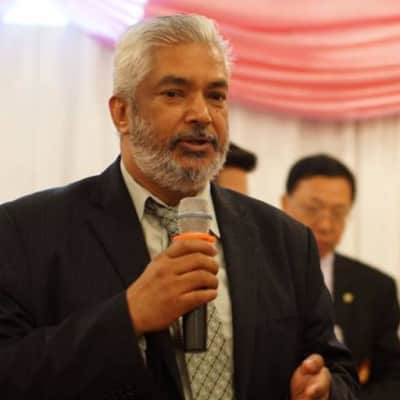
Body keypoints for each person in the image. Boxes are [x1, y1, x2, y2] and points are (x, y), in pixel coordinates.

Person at [0, 15, 358, 400]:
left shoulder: (286, 240)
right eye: (174, 93)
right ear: (122, 113)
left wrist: (324, 390)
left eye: (216, 95)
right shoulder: (27, 232)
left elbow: (337, 369)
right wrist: (128, 316)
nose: (202, 114)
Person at [281, 153, 400, 400]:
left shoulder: (376, 287)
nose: (325, 225)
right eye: (313, 209)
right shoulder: (255, 271)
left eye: (338, 213)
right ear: (285, 204)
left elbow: (392, 378)